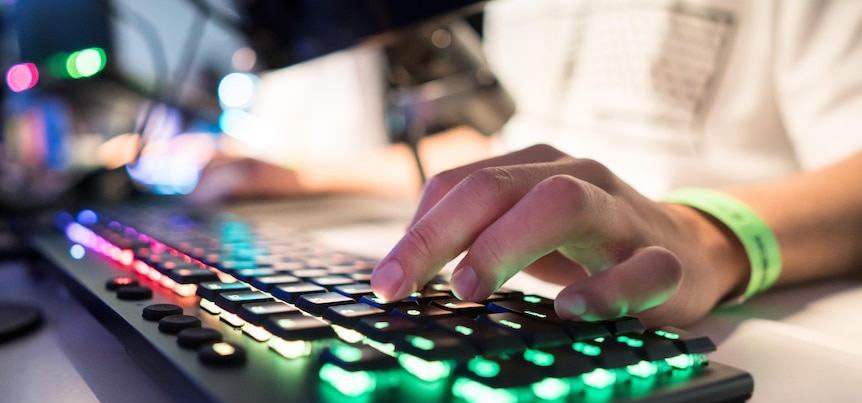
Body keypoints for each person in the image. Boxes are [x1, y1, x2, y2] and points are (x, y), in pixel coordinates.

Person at [193, 0, 862, 327]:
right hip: (517, 294)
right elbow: (521, 152)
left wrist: (711, 236)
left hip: (725, 310)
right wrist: (296, 175)